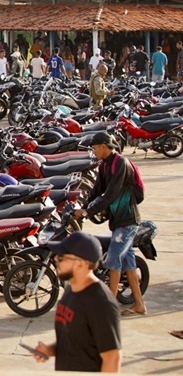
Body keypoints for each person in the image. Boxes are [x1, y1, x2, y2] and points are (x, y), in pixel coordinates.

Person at [74, 131, 146, 318]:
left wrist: (89, 211)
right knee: (128, 264)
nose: (94, 151)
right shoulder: (104, 166)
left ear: (104, 146)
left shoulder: (120, 163)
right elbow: (96, 191)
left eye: (95, 147)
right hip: (118, 221)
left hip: (128, 220)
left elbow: (111, 193)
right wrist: (82, 206)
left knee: (113, 261)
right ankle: (139, 305)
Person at [31, 231, 121, 372]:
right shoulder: (71, 290)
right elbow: (74, 342)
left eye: (61, 257)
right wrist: (49, 350)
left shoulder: (101, 302)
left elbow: (112, 359)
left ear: (80, 264)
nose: (56, 260)